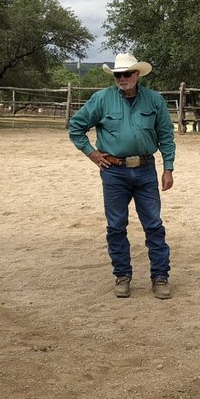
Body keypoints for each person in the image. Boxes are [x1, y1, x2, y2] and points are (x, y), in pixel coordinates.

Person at [68, 53, 176, 299]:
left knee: (153, 225)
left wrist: (168, 168)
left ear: (138, 74)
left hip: (146, 169)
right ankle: (122, 276)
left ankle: (160, 277)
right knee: (116, 226)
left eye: (127, 74)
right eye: (118, 74)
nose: (122, 78)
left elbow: (166, 135)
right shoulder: (101, 99)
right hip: (113, 171)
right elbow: (76, 127)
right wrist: (92, 154)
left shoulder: (154, 100)